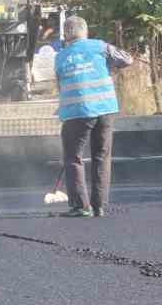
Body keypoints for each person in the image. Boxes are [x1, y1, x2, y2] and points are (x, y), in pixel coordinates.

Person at [54, 15, 134, 217]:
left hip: (76, 113)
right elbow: (127, 59)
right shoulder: (100, 46)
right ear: (85, 31)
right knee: (102, 156)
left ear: (66, 34)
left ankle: (81, 206)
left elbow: (60, 84)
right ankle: (99, 205)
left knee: (73, 157)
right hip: (105, 109)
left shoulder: (61, 57)